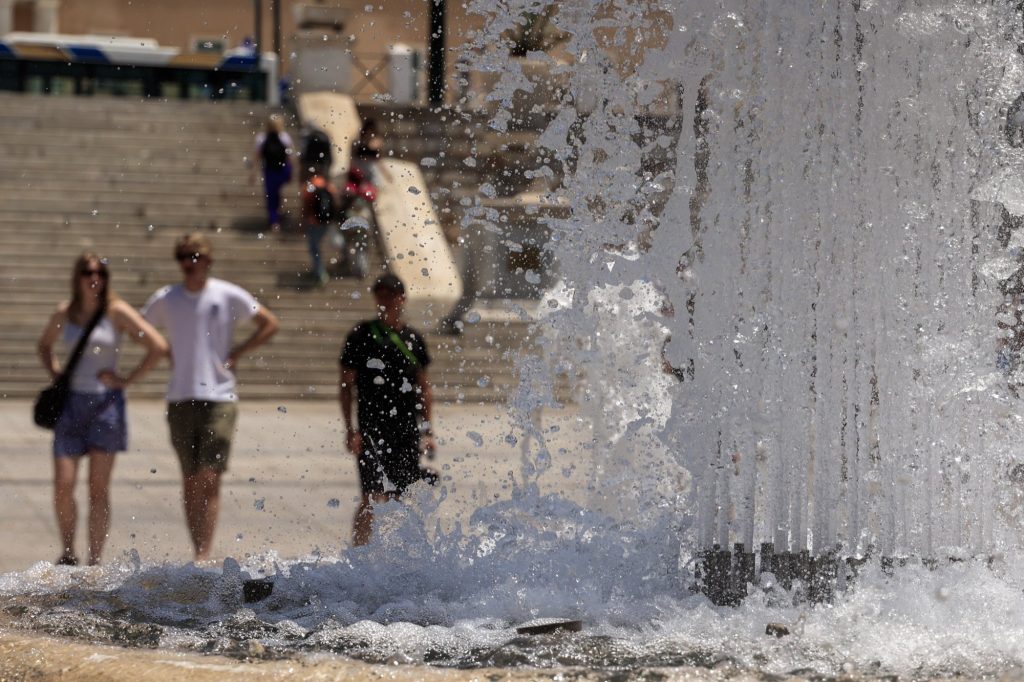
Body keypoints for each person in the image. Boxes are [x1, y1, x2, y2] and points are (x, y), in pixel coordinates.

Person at [143, 233, 279, 561]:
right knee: (190, 478)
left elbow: (269, 323)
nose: (189, 264)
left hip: (219, 395)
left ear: (208, 260)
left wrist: (239, 352)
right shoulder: (167, 298)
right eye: (183, 257)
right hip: (180, 396)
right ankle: (197, 549)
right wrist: (161, 350)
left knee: (209, 475)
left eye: (195, 256)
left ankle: (204, 552)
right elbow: (138, 326)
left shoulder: (226, 294)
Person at [37, 253, 168, 566]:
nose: (94, 278)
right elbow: (44, 345)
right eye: (87, 272)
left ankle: (95, 559)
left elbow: (158, 346)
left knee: (98, 487)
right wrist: (56, 373)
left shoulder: (116, 311)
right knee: (63, 485)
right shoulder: (64, 312)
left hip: (105, 405)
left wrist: (127, 379)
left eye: (100, 273)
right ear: (77, 277)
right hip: (71, 405)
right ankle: (68, 551)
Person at [339, 274, 437, 546]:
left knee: (399, 497)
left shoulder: (413, 339)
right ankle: (359, 553)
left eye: (391, 294)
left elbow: (424, 388)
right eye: (380, 294)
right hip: (371, 428)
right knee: (371, 496)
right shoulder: (360, 335)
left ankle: (394, 554)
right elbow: (346, 385)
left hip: (405, 429)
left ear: (402, 299)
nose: (385, 300)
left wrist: (427, 431)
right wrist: (350, 429)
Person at [251, 115, 294, 232]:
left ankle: (274, 221)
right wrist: (290, 171)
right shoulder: (285, 137)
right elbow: (290, 156)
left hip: (269, 171)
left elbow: (257, 156)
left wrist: (253, 173)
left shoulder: (261, 138)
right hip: (282, 169)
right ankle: (278, 212)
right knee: (277, 193)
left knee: (271, 196)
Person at [301, 167, 339, 286]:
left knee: (314, 247)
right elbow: (335, 203)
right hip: (326, 221)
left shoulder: (310, 186)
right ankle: (343, 258)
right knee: (320, 245)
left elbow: (306, 204)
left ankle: (320, 273)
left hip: (314, 221)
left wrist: (304, 219)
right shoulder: (329, 186)